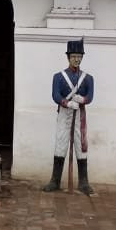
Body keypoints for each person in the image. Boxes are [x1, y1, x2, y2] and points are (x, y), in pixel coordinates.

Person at [43, 39, 95, 195]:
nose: (77, 59)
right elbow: (55, 95)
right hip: (65, 113)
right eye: (74, 56)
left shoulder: (88, 78)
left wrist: (83, 100)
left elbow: (90, 96)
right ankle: (55, 180)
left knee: (81, 145)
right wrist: (66, 103)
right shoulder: (58, 77)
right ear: (68, 57)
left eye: (79, 56)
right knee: (61, 143)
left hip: (80, 114)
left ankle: (83, 182)